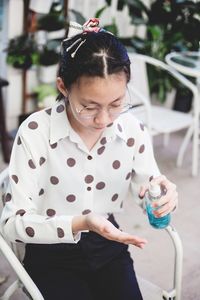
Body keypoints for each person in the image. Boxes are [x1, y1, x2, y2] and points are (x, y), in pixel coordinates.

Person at [0, 18, 178, 300]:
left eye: (117, 104)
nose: (104, 119)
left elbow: (148, 192)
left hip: (108, 241)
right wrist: (82, 223)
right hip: (49, 248)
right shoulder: (35, 133)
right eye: (89, 106)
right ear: (63, 87)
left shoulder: (132, 129)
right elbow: (12, 225)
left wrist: (161, 198)